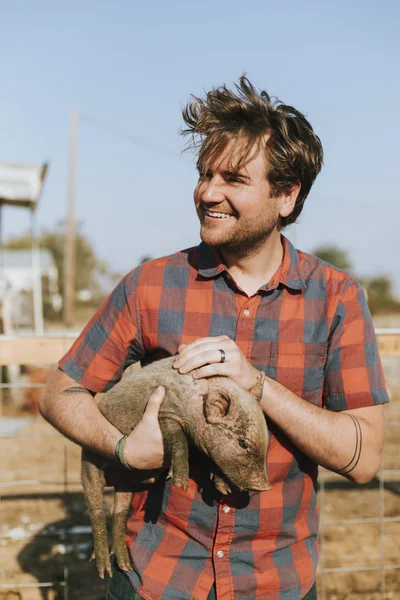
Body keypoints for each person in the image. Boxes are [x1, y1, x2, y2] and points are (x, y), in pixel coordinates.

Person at [39, 76, 388, 600]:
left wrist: (257, 385)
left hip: (277, 584)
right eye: (204, 174)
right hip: (156, 578)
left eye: (233, 178)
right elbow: (56, 394)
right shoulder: (149, 285)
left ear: (287, 196)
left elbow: (364, 458)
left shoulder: (337, 299)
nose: (208, 192)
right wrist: (123, 448)